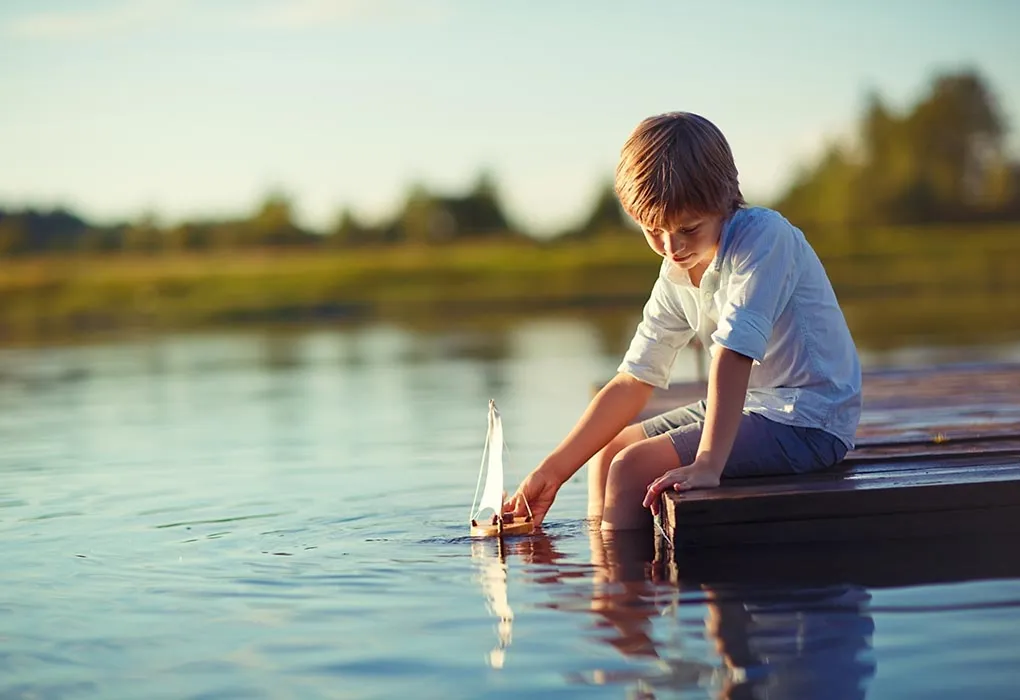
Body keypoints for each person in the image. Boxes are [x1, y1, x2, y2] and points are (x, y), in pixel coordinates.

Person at [509, 111, 862, 531]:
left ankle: (618, 586)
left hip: (809, 421)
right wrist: (553, 470)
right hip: (750, 408)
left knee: (630, 468)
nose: (670, 247)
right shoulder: (677, 272)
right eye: (653, 230)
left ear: (726, 201)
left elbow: (732, 355)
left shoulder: (764, 239)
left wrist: (708, 463)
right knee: (608, 455)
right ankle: (607, 581)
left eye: (688, 229)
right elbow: (632, 381)